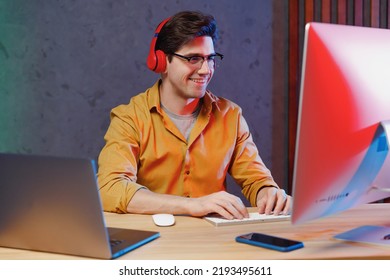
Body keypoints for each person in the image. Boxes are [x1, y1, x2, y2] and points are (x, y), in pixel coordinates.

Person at [97, 10, 292, 220]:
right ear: (161, 61)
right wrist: (192, 205)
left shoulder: (231, 116)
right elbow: (109, 189)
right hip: (153, 243)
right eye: (193, 58)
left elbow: (256, 180)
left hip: (211, 243)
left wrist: (268, 193)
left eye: (210, 58)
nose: (205, 69)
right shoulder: (130, 117)